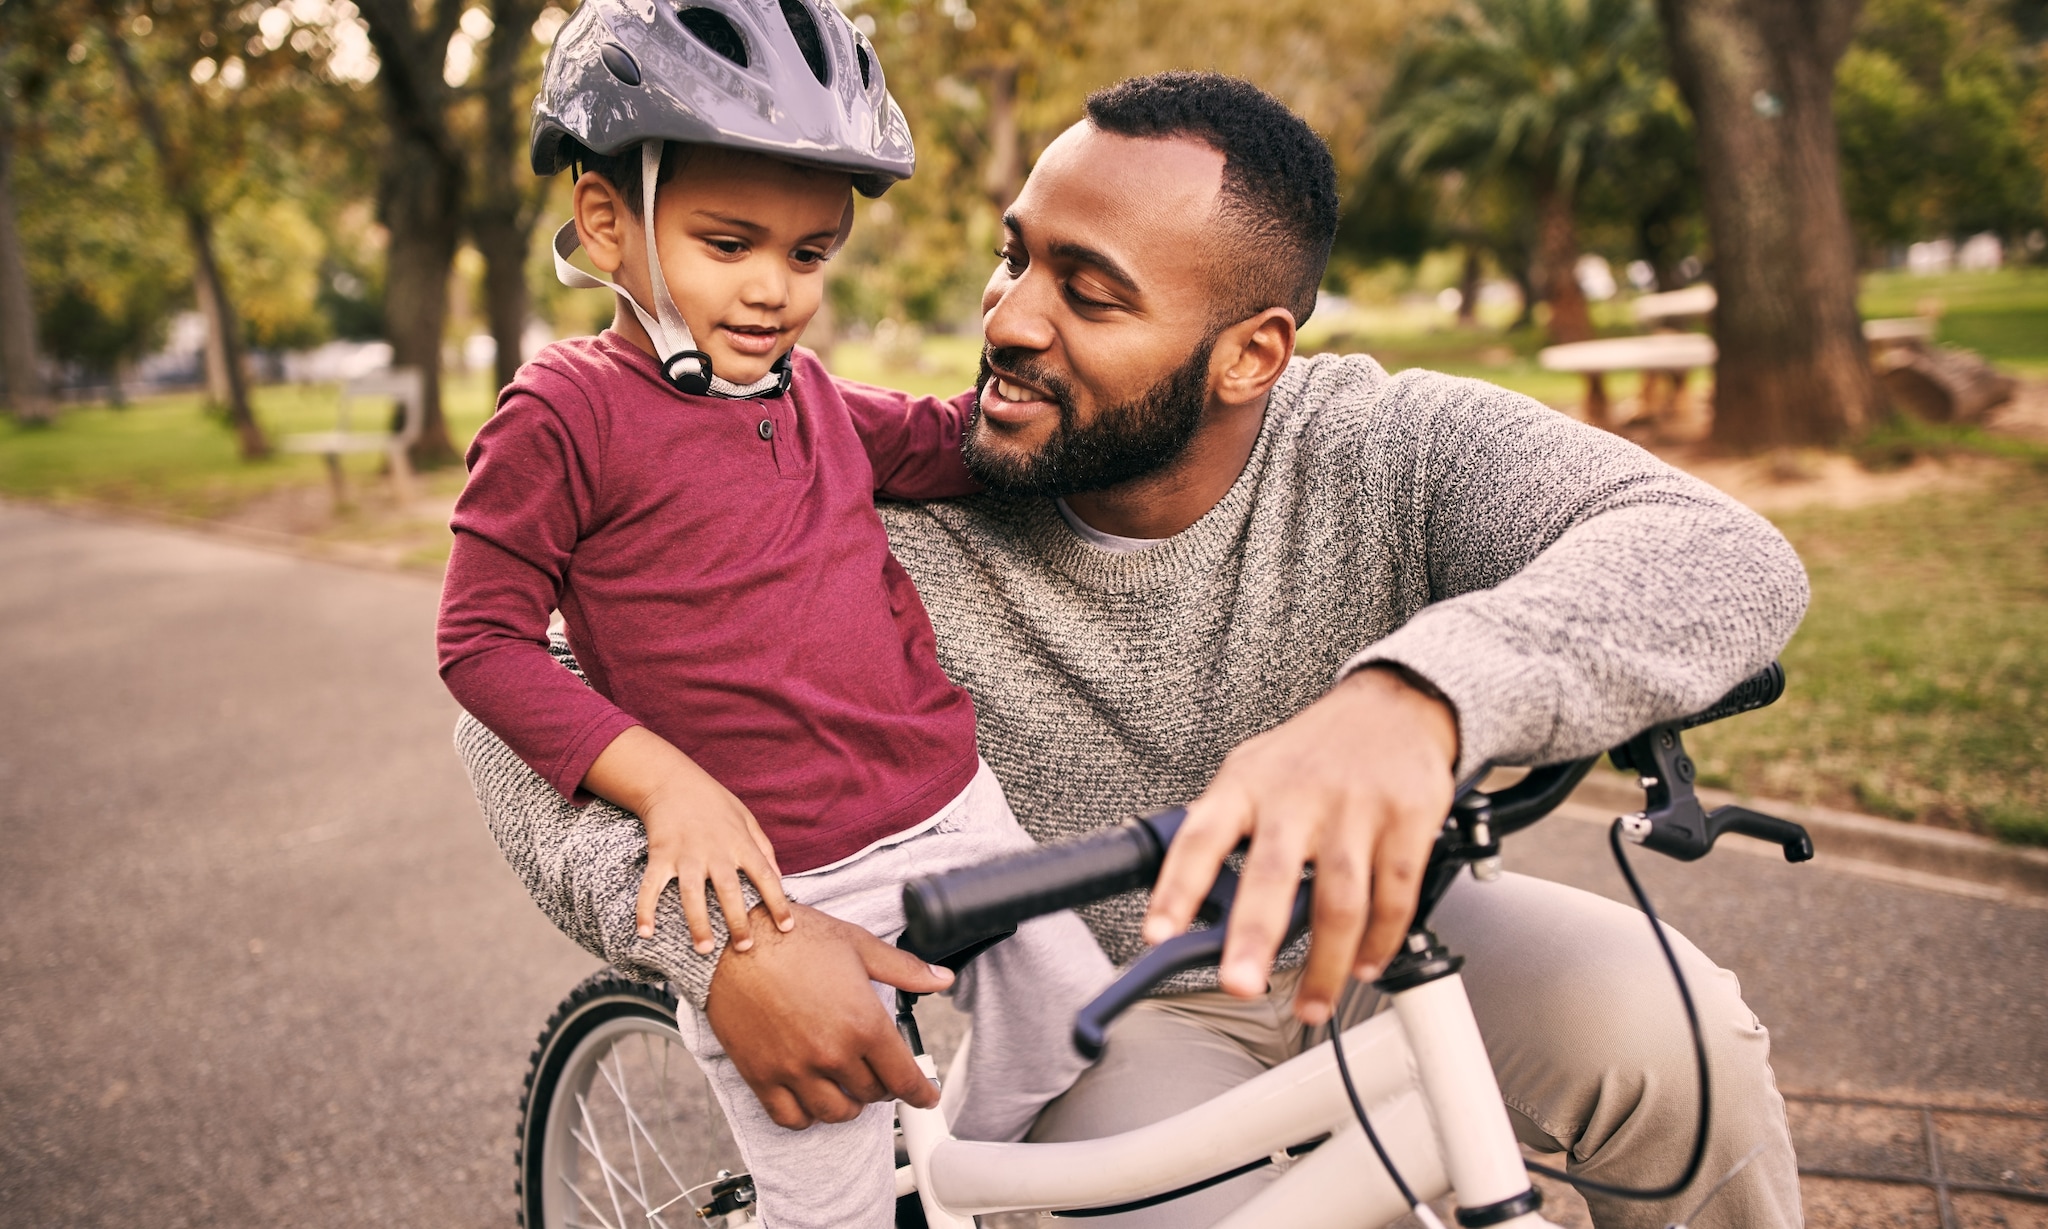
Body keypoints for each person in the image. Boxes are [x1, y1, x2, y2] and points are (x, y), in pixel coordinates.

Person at [463, 72, 1811, 1229]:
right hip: (1114, 1000)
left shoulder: (1383, 448)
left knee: (1682, 1040)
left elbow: (1716, 554)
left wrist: (1415, 699)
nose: (1006, 320)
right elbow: (504, 703)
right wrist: (730, 943)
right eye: (1015, 257)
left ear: (1248, 355)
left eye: (1089, 296)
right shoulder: (854, 502)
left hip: (1390, 920)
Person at [435, 5, 1113, 1227]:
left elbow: (946, 442)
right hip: (772, 882)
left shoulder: (807, 393)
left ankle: (952, 1179)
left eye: (807, 255)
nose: (772, 291)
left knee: (1072, 1030)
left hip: (953, 811)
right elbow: (477, 640)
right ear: (606, 221)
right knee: (828, 1197)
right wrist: (662, 786)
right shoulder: (561, 414)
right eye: (729, 242)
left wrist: (1094, 422)